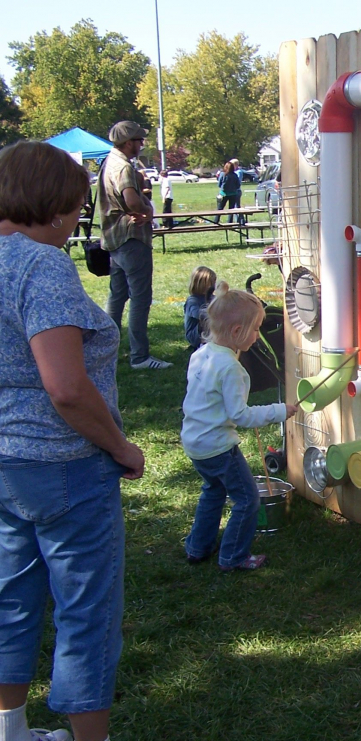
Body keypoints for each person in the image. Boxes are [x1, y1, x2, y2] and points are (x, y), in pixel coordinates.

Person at [0, 141, 145, 741]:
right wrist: (120, 446)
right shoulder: (41, 265)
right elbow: (65, 387)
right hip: (65, 466)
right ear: (55, 207)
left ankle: (10, 729)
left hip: (7, 466)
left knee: (10, 598)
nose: (76, 223)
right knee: (86, 612)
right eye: (77, 210)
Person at [181, 282, 297, 571]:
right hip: (218, 448)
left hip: (195, 443)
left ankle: (198, 547)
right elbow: (241, 416)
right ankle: (233, 556)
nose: (258, 335)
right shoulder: (231, 368)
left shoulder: (201, 354)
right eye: (256, 329)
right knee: (247, 500)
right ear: (236, 332)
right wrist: (280, 411)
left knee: (213, 491)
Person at [98, 120, 172, 370]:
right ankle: (140, 357)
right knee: (140, 298)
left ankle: (106, 352)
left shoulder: (108, 161)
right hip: (131, 238)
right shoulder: (123, 167)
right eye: (139, 140)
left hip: (114, 239)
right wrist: (147, 211)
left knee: (117, 297)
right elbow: (131, 200)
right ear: (128, 142)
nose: (142, 144)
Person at [184, 266, 217, 349]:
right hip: (195, 335)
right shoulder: (193, 301)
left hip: (209, 331)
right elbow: (198, 315)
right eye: (212, 283)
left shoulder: (213, 297)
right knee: (206, 319)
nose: (214, 286)